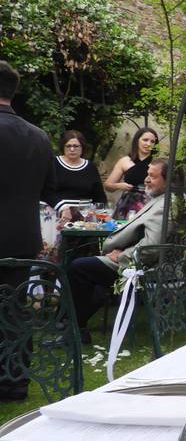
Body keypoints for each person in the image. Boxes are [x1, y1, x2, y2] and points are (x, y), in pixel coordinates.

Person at [0, 60, 56, 401]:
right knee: (17, 308)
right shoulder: (39, 136)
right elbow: (49, 190)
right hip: (23, 234)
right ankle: (15, 382)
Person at [66, 158, 168, 343]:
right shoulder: (164, 200)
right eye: (147, 174)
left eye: (152, 176)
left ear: (168, 180)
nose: (146, 179)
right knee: (91, 274)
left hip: (142, 267)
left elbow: (152, 247)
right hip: (139, 259)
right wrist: (121, 247)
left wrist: (120, 255)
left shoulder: (166, 205)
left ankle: (72, 326)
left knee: (78, 267)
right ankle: (74, 327)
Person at [38, 130, 107, 264]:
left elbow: (99, 196)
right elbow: (45, 191)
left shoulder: (90, 167)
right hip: (56, 216)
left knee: (80, 260)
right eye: (68, 146)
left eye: (76, 146)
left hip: (83, 220)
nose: (72, 149)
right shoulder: (53, 163)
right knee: (52, 260)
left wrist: (102, 216)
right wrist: (63, 207)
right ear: (63, 147)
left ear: (82, 148)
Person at [104, 126, 158, 220]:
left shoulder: (157, 162)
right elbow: (108, 185)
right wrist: (119, 186)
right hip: (127, 205)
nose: (148, 144)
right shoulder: (124, 161)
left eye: (152, 141)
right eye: (145, 140)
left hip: (151, 204)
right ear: (137, 141)